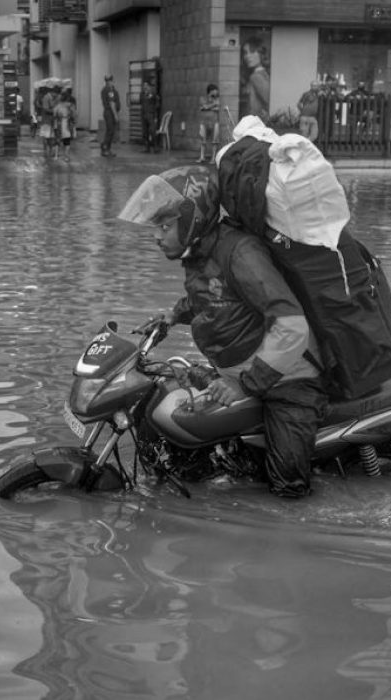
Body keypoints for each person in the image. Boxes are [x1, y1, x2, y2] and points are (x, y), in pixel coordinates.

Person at [117, 166, 328, 498]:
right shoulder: (202, 252)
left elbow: (291, 324)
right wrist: (171, 316)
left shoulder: (241, 253)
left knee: (287, 487)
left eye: (164, 226)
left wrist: (244, 385)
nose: (157, 236)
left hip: (288, 382)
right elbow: (212, 297)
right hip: (238, 373)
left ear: (193, 219)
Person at [241, 38, 270, 118]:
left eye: (252, 52)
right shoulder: (262, 74)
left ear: (261, 54)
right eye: (245, 53)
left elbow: (269, 100)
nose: (247, 56)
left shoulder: (256, 77)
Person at [197, 83, 221, 163]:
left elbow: (217, 108)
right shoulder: (203, 98)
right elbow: (203, 107)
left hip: (214, 121)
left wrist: (207, 107)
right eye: (214, 91)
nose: (216, 93)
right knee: (202, 140)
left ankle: (213, 158)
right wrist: (212, 105)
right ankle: (202, 157)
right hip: (204, 121)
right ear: (210, 91)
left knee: (215, 140)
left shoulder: (217, 99)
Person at [100, 74, 120, 158]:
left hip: (109, 112)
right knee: (110, 131)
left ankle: (106, 147)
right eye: (109, 81)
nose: (110, 82)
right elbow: (112, 103)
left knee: (110, 131)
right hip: (110, 113)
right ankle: (105, 148)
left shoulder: (106, 89)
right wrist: (115, 115)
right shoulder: (109, 90)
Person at [54, 87, 77, 162]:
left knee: (57, 140)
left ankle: (56, 155)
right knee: (67, 141)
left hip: (58, 124)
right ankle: (66, 156)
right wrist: (73, 121)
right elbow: (74, 114)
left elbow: (54, 115)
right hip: (67, 123)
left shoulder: (57, 106)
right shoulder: (70, 105)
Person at [140, 78, 160, 154]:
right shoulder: (142, 94)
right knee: (145, 132)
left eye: (146, 85)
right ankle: (146, 147)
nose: (145, 87)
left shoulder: (153, 93)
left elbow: (157, 103)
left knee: (152, 131)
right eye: (144, 85)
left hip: (151, 114)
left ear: (149, 86)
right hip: (144, 114)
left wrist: (155, 113)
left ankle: (155, 147)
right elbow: (141, 102)